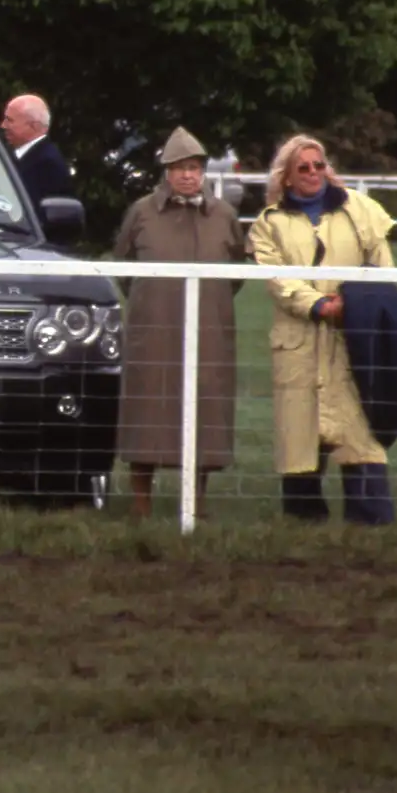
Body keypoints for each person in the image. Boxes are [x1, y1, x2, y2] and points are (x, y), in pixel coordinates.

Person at [249, 133, 397, 525]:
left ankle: (370, 520)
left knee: (359, 431)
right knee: (300, 435)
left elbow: (382, 266)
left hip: (354, 335)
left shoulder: (360, 210)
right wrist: (316, 305)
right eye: (303, 167)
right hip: (298, 342)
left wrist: (355, 303)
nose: (313, 173)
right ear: (286, 176)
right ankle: (303, 522)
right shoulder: (269, 224)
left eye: (319, 164)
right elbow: (277, 278)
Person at [113, 128, 249, 518]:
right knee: (147, 410)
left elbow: (236, 273)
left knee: (204, 408)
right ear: (166, 172)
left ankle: (197, 503)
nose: (188, 176)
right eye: (179, 168)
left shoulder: (223, 215)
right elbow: (123, 268)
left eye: (194, 168)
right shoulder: (141, 212)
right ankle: (141, 504)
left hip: (207, 329)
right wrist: (150, 304)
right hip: (153, 329)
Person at [0, 94, 74, 210]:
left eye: (10, 120)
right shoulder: (13, 156)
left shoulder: (47, 164)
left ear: (33, 126)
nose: (3, 125)